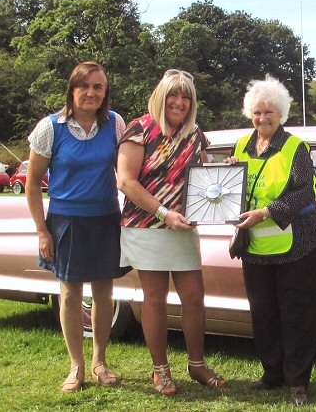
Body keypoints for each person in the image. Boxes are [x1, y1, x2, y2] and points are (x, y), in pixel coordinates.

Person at [116, 69, 226, 396]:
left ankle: (197, 365)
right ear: (161, 97)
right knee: (156, 299)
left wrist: (225, 174)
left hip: (183, 227)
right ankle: (160, 370)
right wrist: (164, 212)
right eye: (173, 95)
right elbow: (126, 181)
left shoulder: (195, 135)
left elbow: (207, 181)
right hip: (146, 226)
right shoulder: (140, 129)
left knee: (194, 297)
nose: (179, 102)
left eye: (186, 96)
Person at [225, 75, 316, 406]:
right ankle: (272, 375)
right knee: (264, 313)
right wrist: (228, 177)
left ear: (281, 114)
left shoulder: (296, 147)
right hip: (256, 245)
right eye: (257, 112)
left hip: (300, 244)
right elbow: (233, 188)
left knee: (298, 314)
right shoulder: (241, 145)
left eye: (269, 112)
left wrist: (267, 212)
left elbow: (303, 193)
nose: (263, 118)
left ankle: (297, 381)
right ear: (249, 113)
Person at [26, 61, 129, 393]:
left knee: (104, 293)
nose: (91, 92)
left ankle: (100, 361)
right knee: (70, 294)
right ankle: (76, 366)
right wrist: (43, 230)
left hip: (105, 218)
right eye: (84, 86)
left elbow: (129, 171)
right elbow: (32, 184)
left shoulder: (115, 124)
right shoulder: (49, 127)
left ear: (105, 93)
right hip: (66, 222)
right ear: (72, 90)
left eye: (98, 87)